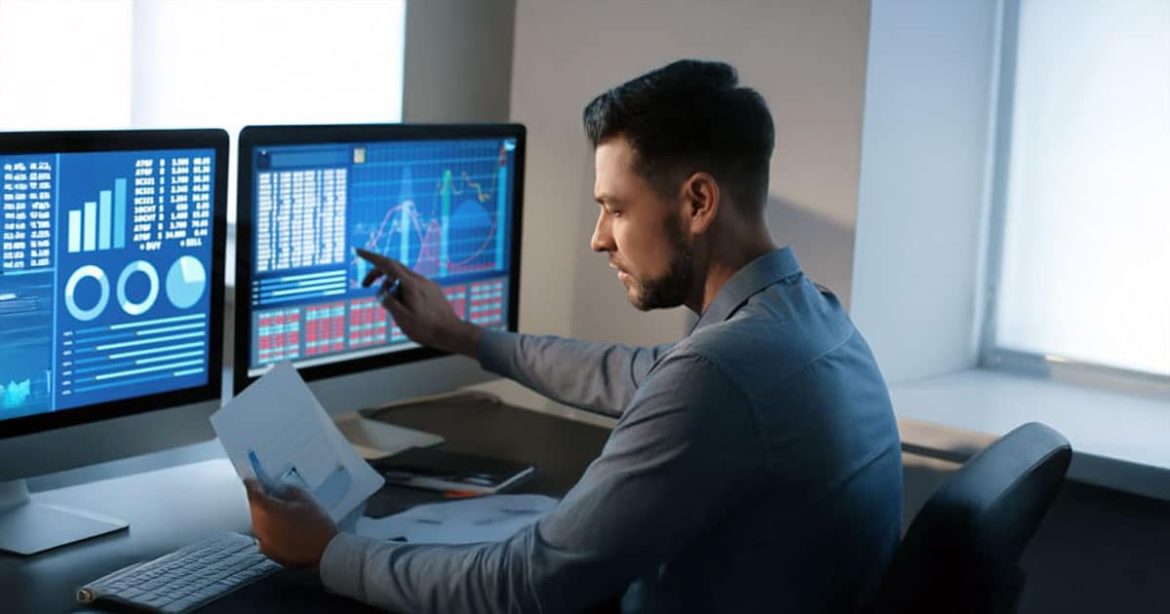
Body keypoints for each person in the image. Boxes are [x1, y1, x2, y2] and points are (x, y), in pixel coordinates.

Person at [245, 59, 902, 613]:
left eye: (615, 208)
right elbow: (627, 373)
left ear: (698, 202)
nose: (599, 238)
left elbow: (527, 583)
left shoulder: (722, 372)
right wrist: (465, 336)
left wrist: (329, 551)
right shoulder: (810, 319)